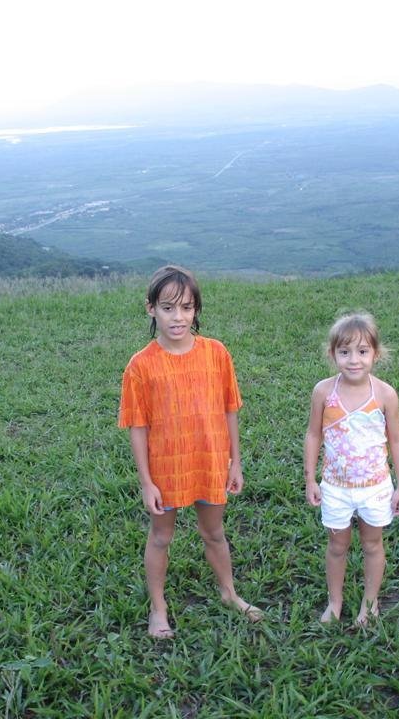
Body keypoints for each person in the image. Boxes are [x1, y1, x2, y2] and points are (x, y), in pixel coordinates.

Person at [119, 264, 263, 639]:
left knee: (214, 533)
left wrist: (236, 462)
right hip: (165, 469)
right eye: (168, 308)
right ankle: (158, 607)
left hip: (209, 461)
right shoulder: (140, 365)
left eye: (186, 307)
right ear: (151, 309)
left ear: (196, 309)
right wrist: (146, 482)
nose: (178, 317)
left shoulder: (216, 353)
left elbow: (230, 408)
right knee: (161, 536)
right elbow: (138, 426)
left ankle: (229, 593)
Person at [303, 311, 399, 626]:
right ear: (332, 353)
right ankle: (334, 603)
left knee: (372, 544)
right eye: (345, 352)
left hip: (375, 487)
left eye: (362, 352)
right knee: (337, 545)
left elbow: (398, 441)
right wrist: (311, 479)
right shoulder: (324, 391)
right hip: (335, 486)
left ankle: (370, 603)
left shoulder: (385, 394)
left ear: (375, 353)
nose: (354, 360)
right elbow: (313, 435)